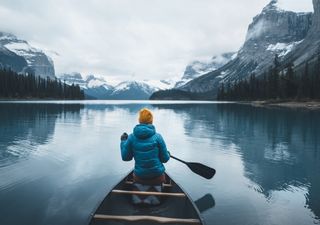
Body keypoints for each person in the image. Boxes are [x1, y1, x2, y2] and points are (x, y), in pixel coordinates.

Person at [120, 108, 170, 184]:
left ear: (139, 120)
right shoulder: (158, 137)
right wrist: (168, 154)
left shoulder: (131, 138)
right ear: (151, 121)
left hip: (139, 177)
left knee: (136, 179)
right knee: (161, 180)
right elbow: (164, 159)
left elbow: (126, 158)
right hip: (158, 177)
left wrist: (123, 142)